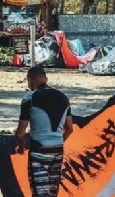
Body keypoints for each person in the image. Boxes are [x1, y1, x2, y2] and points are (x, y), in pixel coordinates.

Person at [15, 67, 74, 197]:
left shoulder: (30, 98)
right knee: (52, 192)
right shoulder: (63, 97)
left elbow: (20, 132)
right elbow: (70, 129)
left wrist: (20, 146)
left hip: (39, 151)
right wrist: (58, 140)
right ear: (45, 78)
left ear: (30, 80)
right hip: (58, 150)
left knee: (39, 192)